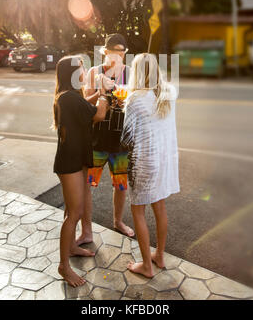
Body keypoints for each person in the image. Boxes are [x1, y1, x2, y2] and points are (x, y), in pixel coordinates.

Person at [121, 53, 180, 278]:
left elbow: (126, 138)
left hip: (143, 164)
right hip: (164, 161)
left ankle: (146, 265)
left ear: (137, 72)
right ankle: (160, 256)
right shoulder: (169, 93)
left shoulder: (135, 98)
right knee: (160, 208)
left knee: (138, 211)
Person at [53, 55, 108, 287]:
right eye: (81, 69)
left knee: (75, 208)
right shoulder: (68, 98)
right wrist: (104, 93)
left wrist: (95, 96)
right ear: (72, 74)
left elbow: (86, 105)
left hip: (77, 159)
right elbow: (98, 114)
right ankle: (64, 267)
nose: (85, 73)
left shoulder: (69, 97)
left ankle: (73, 247)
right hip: (70, 163)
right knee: (73, 213)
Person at [76, 33, 135, 245]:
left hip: (120, 141)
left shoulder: (130, 73)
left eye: (121, 51)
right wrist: (101, 92)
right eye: (114, 51)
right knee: (88, 185)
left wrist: (126, 99)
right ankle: (87, 230)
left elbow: (136, 104)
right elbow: (85, 104)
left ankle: (118, 221)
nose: (118, 55)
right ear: (106, 52)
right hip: (97, 140)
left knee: (120, 185)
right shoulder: (94, 72)